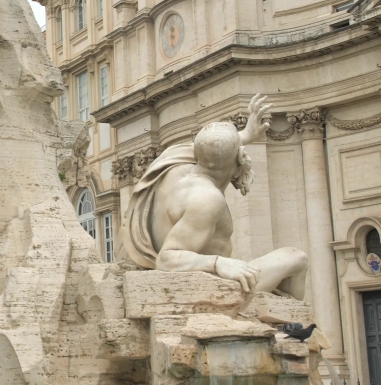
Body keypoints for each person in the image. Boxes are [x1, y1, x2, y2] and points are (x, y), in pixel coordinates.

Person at [116, 94, 308, 299]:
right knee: (296, 258)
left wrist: (246, 135)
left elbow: (211, 149)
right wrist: (218, 263)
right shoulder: (207, 199)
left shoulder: (173, 163)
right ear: (237, 162)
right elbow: (167, 259)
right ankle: (286, 322)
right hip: (215, 286)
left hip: (210, 275)